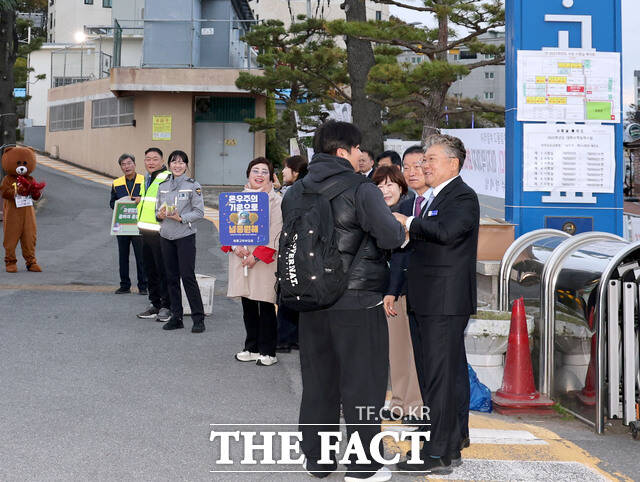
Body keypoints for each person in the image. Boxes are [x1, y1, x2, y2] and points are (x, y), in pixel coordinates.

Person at [289, 121, 405, 480]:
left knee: (319, 381)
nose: (361, 157)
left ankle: (318, 461)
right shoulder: (359, 188)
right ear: (343, 152)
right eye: (358, 151)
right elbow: (388, 236)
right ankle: (363, 466)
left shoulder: (296, 190)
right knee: (362, 384)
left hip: (311, 299)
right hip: (357, 301)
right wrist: (400, 226)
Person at [394, 134, 479, 475]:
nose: (424, 165)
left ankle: (437, 452)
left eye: (430, 159)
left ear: (452, 164)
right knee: (444, 375)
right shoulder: (435, 196)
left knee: (440, 377)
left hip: (443, 301)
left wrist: (409, 223)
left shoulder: (462, 197)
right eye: (423, 160)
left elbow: (446, 232)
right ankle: (451, 442)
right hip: (428, 299)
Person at [372, 165, 424, 426]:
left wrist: (392, 291)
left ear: (401, 187)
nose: (385, 190)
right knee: (396, 351)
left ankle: (414, 405)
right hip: (386, 291)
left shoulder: (407, 213)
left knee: (408, 349)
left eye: (390, 184)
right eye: (380, 186)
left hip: (403, 291)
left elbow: (403, 256)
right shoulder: (379, 214)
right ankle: (399, 402)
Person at [225, 157, 283, 366]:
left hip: (264, 260)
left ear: (271, 176)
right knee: (247, 303)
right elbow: (229, 228)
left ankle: (268, 350)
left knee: (266, 302)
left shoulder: (275, 200)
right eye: (255, 171)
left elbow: (276, 231)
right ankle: (251, 346)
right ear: (248, 174)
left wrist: (256, 255)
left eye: (264, 172)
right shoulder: (237, 198)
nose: (259, 175)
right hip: (241, 257)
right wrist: (235, 247)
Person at [156, 150, 206, 333]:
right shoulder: (162, 185)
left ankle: (198, 318)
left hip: (185, 235)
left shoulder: (193, 186)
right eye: (174, 162)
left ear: (186, 165)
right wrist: (159, 215)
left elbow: (199, 213)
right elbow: (156, 211)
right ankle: (176, 317)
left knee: (187, 276)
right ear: (169, 165)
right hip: (166, 236)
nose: (177, 165)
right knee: (171, 278)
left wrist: (181, 218)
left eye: (181, 162)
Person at [135, 147, 172, 322]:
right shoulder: (146, 179)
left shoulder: (167, 177)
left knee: (163, 270)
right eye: (148, 159)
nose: (151, 162)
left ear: (162, 161)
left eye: (155, 159)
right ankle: (155, 303)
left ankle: (167, 306)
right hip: (145, 231)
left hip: (161, 232)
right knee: (150, 270)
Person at [276, 155, 308, 353]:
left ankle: (284, 339)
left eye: (285, 168)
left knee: (287, 293)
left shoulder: (295, 191)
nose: (282, 172)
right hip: (306, 250)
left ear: (295, 171)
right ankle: (296, 338)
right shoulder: (306, 186)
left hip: (293, 248)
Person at [109, 153, 147, 295]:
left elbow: (150, 199)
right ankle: (125, 285)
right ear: (121, 167)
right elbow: (112, 203)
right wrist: (120, 203)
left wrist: (141, 199)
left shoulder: (144, 180)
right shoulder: (116, 183)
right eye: (123, 164)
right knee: (123, 256)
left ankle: (143, 286)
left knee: (141, 257)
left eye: (129, 163)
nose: (127, 166)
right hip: (123, 223)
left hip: (139, 224)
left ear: (135, 164)